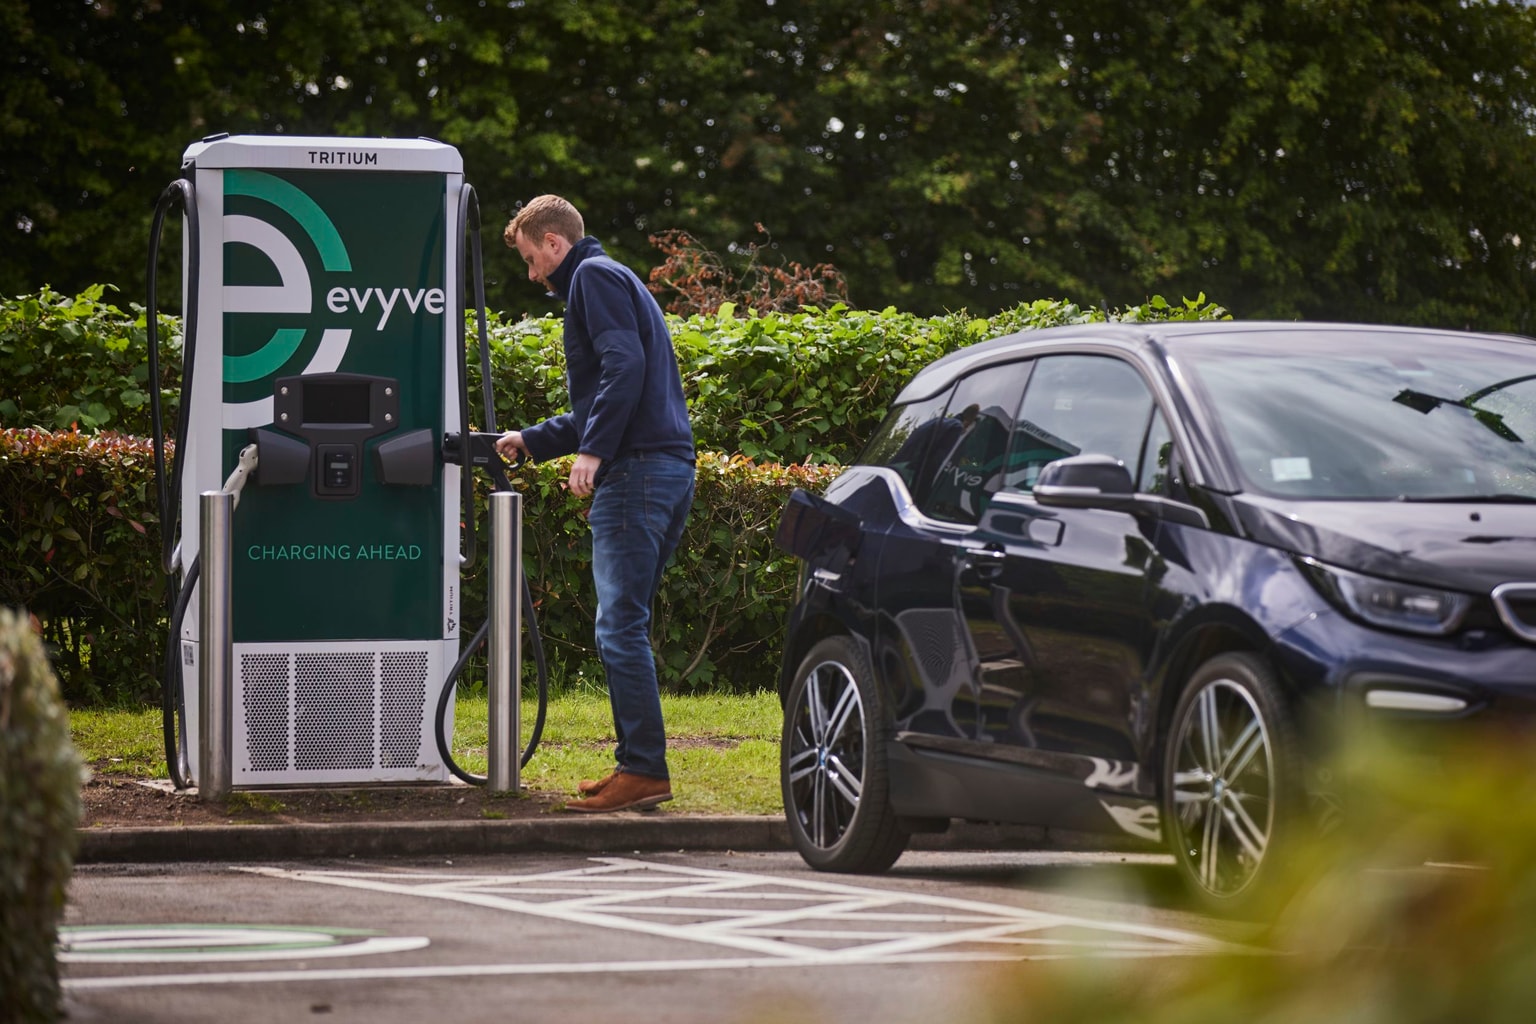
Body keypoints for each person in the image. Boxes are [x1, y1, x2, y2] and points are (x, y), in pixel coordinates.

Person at [495, 195, 696, 813]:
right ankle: (638, 766)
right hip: (660, 466)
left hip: (636, 471)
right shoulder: (610, 279)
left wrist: (595, 453)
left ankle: (642, 771)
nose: (532, 276)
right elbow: (598, 403)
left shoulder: (591, 277)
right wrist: (531, 441)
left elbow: (622, 367)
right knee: (625, 624)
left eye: (531, 260)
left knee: (618, 626)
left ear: (554, 243)